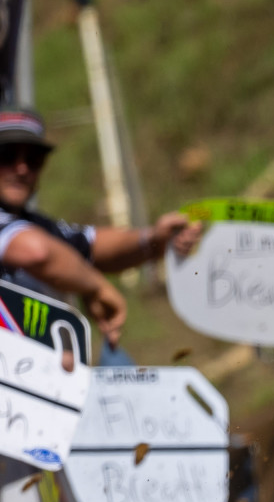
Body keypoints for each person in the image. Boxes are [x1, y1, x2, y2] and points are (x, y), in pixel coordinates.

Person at [0, 107, 203, 345]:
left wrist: (155, 239)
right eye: (7, 155)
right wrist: (95, 287)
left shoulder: (35, 226)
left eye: (33, 160)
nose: (22, 169)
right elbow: (37, 252)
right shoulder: (28, 236)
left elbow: (92, 245)